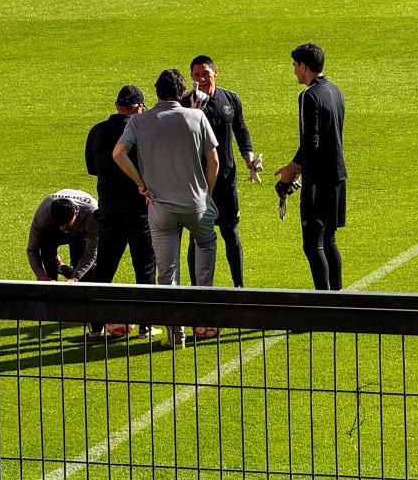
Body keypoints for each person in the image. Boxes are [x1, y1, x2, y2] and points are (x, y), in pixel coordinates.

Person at [113, 69, 220, 348]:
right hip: (197, 204)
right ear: (180, 91)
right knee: (206, 248)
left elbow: (118, 153)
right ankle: (203, 321)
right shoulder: (196, 116)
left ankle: (176, 336)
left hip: (161, 208)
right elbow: (214, 161)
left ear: (156, 92)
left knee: (167, 273)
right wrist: (207, 194)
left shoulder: (139, 120)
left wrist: (140, 183)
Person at [181, 55, 262, 288]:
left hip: (226, 180)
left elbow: (241, 129)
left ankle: (239, 287)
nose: (202, 79)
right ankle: (197, 289)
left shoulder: (231, 99)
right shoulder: (187, 103)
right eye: (196, 75)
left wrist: (248, 157)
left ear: (216, 72)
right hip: (196, 182)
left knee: (230, 233)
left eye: (205, 73)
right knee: (196, 238)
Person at [84, 85, 158, 339]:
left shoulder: (97, 131)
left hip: (109, 211)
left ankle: (95, 325)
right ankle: (146, 325)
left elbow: (92, 169)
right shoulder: (143, 130)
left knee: (104, 268)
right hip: (139, 211)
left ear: (117, 106)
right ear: (139, 107)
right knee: (145, 268)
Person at [276, 43, 347, 291]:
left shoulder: (309, 96)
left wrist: (290, 170)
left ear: (304, 66)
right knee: (329, 240)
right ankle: (337, 300)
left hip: (319, 179)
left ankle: (322, 305)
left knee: (313, 243)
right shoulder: (335, 90)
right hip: (338, 175)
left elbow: (311, 142)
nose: (294, 71)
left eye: (295, 66)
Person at [26, 190, 99, 283]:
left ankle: (61, 267)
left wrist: (75, 277)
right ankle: (52, 274)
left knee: (86, 279)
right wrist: (42, 277)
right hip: (53, 233)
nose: (63, 228)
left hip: (82, 234)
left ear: (75, 213)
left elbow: (90, 253)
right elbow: (32, 249)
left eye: (67, 224)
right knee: (45, 235)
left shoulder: (93, 215)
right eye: (59, 224)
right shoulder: (43, 214)